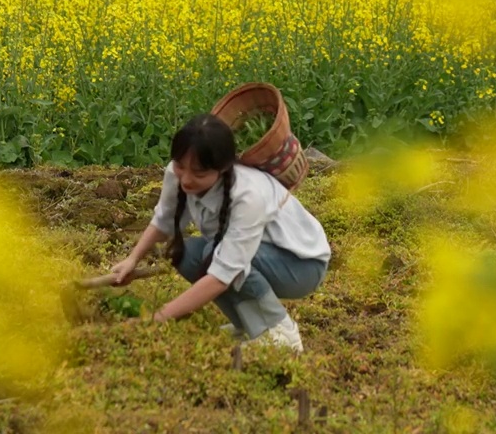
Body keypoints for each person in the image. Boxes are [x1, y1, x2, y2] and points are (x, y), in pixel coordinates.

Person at [110, 113, 332, 352]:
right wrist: (132, 260)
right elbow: (164, 221)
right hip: (260, 256)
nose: (186, 179)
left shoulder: (248, 195)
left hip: (302, 265)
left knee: (214, 254)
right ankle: (248, 325)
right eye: (180, 166)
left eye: (199, 174)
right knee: (186, 255)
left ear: (223, 168)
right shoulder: (178, 173)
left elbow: (221, 276)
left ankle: (281, 334)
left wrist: (157, 318)